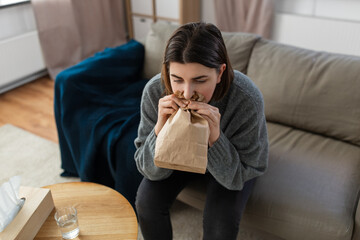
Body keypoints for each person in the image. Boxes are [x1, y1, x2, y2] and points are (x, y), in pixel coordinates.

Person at [134, 22, 268, 240]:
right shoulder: (155, 91)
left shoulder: (247, 98)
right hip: (180, 157)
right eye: (177, 79)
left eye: (200, 80)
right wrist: (159, 129)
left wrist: (215, 137)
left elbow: (243, 173)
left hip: (232, 164)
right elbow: (146, 168)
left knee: (220, 222)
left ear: (220, 72)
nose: (187, 93)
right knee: (146, 202)